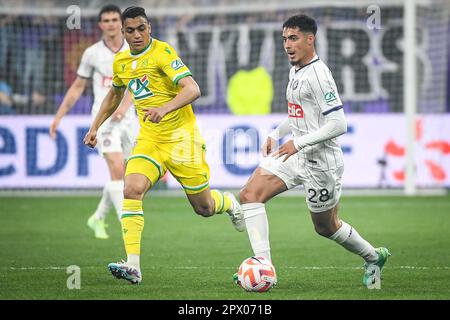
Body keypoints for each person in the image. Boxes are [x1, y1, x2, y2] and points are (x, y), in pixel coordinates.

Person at [83, 6, 245, 284]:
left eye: (141, 29)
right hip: (150, 139)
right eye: (130, 30)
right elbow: (114, 94)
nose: (136, 35)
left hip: (183, 140)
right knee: (131, 188)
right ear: (123, 32)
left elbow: (193, 88)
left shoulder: (162, 52)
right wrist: (95, 126)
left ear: (149, 28)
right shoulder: (121, 61)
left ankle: (229, 202)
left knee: (204, 208)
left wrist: (165, 108)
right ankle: (133, 265)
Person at [235, 14, 390, 289]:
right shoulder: (296, 70)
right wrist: (276, 132)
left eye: (293, 38)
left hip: (321, 163)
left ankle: (373, 256)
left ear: (310, 39)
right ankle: (264, 268)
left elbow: (338, 123)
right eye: (284, 39)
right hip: (295, 155)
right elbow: (299, 114)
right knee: (250, 195)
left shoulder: (319, 76)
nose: (287, 45)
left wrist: (299, 142)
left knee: (326, 227)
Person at [50, 5, 135, 239]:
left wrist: (125, 107)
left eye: (114, 19)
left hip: (130, 121)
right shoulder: (92, 53)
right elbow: (78, 87)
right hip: (104, 120)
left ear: (121, 22)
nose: (110, 23)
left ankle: (97, 217)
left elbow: (138, 83)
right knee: (117, 169)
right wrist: (58, 117)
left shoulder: (133, 50)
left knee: (126, 176)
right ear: (100, 25)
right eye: (106, 20)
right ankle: (127, 227)